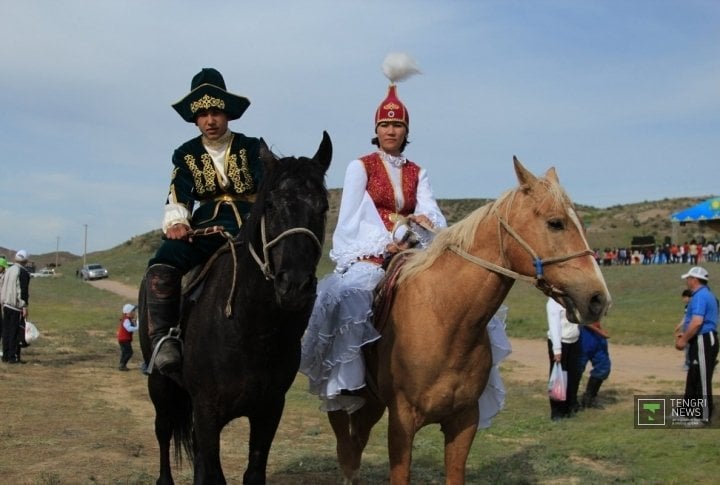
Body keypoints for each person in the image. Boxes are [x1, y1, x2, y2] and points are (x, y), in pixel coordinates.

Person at [299, 54, 448, 413]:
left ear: (406, 131)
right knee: (353, 295)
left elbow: (429, 209)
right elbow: (350, 217)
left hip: (413, 245)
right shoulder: (359, 167)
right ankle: (348, 380)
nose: (390, 131)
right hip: (372, 248)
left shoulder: (418, 171)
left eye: (397, 126)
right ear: (376, 129)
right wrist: (383, 245)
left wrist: (418, 228)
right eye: (384, 125)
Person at [144, 68, 265, 376]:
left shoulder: (252, 147)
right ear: (195, 119)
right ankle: (164, 338)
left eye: (216, 112)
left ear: (227, 114)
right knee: (163, 260)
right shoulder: (185, 154)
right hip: (208, 227)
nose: (210, 120)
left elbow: (269, 189)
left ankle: (293, 339)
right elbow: (178, 194)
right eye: (203, 114)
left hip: (252, 224)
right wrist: (178, 222)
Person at [675, 266, 719, 424]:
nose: (687, 281)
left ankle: (703, 415)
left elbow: (697, 322)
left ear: (694, 280)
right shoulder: (704, 295)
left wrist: (684, 339)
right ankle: (687, 411)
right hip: (700, 338)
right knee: (693, 376)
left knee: (702, 378)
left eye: (688, 278)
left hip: (703, 339)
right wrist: (687, 333)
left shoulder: (700, 296)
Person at [546, 297, 581, 420]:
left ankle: (569, 406)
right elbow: (554, 325)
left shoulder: (572, 299)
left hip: (574, 341)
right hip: (560, 343)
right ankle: (557, 411)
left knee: (573, 375)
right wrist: (557, 349)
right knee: (558, 379)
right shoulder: (553, 303)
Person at [0, 250, 31, 364]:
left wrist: (2, 302)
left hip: (6, 305)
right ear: (26, 260)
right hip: (15, 306)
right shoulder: (23, 272)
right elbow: (23, 291)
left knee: (6, 332)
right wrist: (24, 306)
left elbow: (2, 286)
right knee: (14, 332)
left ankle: (6, 356)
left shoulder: (8, 270)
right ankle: (13, 357)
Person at [578, 321, 611, 409]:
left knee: (603, 367)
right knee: (577, 368)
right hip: (583, 334)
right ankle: (570, 400)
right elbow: (581, 318)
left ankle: (589, 398)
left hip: (597, 336)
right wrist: (599, 331)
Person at [675, 289, 693, 370]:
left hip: (690, 329)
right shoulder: (687, 306)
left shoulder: (692, 306)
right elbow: (685, 317)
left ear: (688, 297)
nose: (683, 300)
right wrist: (680, 325)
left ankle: (688, 364)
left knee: (688, 346)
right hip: (687, 328)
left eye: (684, 298)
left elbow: (690, 318)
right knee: (688, 346)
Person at [117, 303, 138, 371]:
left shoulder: (127, 319)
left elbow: (131, 326)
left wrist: (134, 323)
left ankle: (121, 364)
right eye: (133, 311)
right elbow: (129, 328)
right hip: (124, 339)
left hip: (122, 339)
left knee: (124, 352)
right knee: (129, 352)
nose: (134, 313)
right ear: (128, 313)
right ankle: (122, 365)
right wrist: (138, 327)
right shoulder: (126, 320)